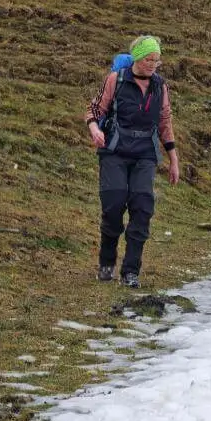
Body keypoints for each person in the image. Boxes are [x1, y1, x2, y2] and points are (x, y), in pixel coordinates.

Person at [84, 35, 181, 288]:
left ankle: (131, 271)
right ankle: (107, 263)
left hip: (145, 154)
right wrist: (95, 129)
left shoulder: (160, 86)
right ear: (137, 57)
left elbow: (165, 122)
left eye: (157, 60)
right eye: (149, 59)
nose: (152, 64)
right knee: (114, 205)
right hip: (114, 150)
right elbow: (95, 110)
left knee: (142, 207)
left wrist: (173, 160)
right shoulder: (115, 80)